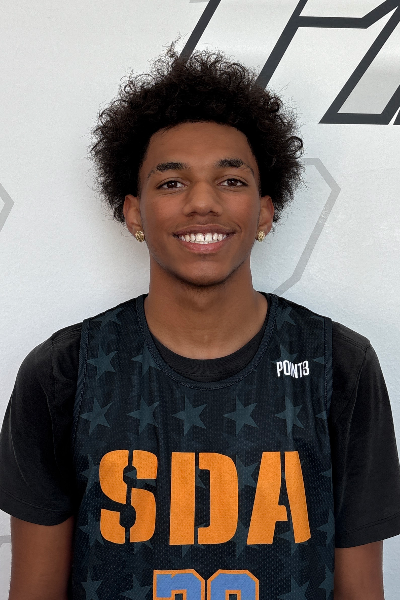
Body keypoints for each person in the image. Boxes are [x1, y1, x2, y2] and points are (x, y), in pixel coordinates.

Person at [1, 47, 400, 600]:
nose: (202, 203)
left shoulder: (339, 365)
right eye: (171, 183)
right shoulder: (63, 372)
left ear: (264, 212)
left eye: (231, 180)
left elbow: (361, 590)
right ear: (134, 213)